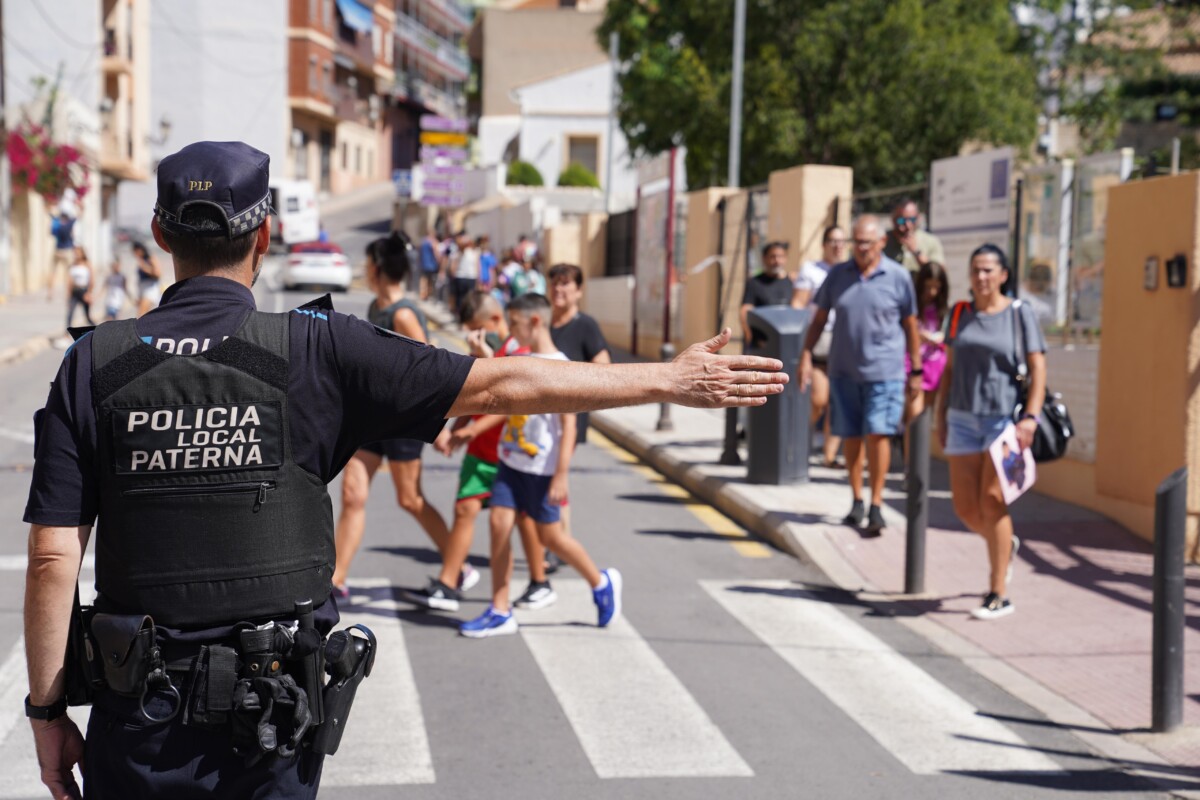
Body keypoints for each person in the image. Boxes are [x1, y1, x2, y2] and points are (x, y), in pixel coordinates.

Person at [21, 140, 786, 799]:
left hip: (138, 725)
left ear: (160, 233)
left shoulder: (94, 363)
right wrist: (670, 380)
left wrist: (48, 716)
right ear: (266, 239)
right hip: (268, 726)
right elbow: (504, 384)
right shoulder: (318, 347)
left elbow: (55, 558)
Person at [459, 293, 616, 638]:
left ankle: (600, 581)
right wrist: (485, 355)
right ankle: (500, 609)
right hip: (510, 461)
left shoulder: (560, 366)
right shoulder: (521, 356)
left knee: (553, 539)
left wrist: (561, 475)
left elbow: (569, 426)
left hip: (542, 472)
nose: (510, 329)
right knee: (499, 523)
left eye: (514, 322)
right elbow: (503, 380)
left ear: (534, 322)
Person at [331, 231, 472, 600]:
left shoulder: (404, 313)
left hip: (404, 422)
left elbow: (432, 370)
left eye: (367, 264)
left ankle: (458, 565)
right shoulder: (377, 307)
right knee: (352, 494)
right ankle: (336, 582)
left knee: (409, 499)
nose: (365, 268)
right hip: (373, 417)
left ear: (377, 268)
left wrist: (438, 426)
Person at [414, 291, 550, 611]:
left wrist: (470, 429)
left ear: (495, 320)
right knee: (464, 509)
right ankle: (449, 583)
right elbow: (475, 393)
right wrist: (458, 428)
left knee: (523, 520)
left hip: (511, 453)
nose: (474, 335)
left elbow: (510, 403)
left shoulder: (520, 349)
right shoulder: (488, 350)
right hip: (481, 453)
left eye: (478, 327)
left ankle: (539, 580)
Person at [937, 244, 1046, 620]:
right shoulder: (960, 314)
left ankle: (998, 592)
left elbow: (1038, 369)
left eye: (988, 270)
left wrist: (1030, 418)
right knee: (966, 509)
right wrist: (940, 416)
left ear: (1003, 275)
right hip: (962, 419)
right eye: (975, 270)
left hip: (1004, 422)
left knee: (991, 500)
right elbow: (949, 370)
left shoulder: (1019, 313)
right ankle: (1004, 545)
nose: (981, 277)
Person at [799, 216, 922, 537]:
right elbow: (819, 318)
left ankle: (877, 503)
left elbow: (911, 325)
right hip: (843, 371)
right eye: (857, 242)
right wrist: (805, 354)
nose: (861, 248)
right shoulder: (839, 276)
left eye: (867, 242)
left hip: (885, 372)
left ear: (882, 242)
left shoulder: (898, 278)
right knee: (851, 437)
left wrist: (917, 370)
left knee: (879, 434)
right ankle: (856, 498)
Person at [792, 226, 847, 467]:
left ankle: (830, 456)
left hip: (844, 341)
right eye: (833, 241)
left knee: (838, 402)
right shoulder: (811, 270)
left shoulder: (850, 271)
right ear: (824, 244)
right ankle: (798, 441)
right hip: (818, 340)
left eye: (842, 241)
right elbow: (798, 304)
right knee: (819, 399)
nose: (837, 246)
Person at [903, 261, 950, 457]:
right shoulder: (912, 306)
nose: (931, 291)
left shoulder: (943, 309)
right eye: (928, 286)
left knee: (925, 416)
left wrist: (938, 339)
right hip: (914, 364)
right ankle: (910, 465)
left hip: (935, 366)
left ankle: (919, 464)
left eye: (936, 287)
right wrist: (919, 335)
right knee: (913, 415)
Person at [740, 241, 794, 345]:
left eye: (780, 256)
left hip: (786, 341)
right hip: (762, 343)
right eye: (772, 256)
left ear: (786, 258)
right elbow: (745, 311)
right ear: (764, 258)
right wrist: (749, 336)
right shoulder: (755, 282)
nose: (777, 260)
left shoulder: (792, 282)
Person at [883, 198, 945, 275]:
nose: (908, 225)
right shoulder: (882, 242)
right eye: (902, 220)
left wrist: (916, 252)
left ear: (918, 218)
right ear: (893, 219)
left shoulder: (931, 241)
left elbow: (940, 274)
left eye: (912, 220)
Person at [48, 212, 76, 301]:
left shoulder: (56, 222)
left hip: (57, 250)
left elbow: (48, 212)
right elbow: (80, 214)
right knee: (68, 274)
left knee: (53, 272)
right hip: (67, 251)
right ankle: (68, 294)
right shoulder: (69, 223)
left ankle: (50, 293)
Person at [64, 246, 94, 329]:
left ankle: (97, 330)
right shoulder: (73, 265)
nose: (76, 254)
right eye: (75, 253)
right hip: (75, 291)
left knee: (87, 316)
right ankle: (67, 333)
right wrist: (68, 295)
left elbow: (91, 280)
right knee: (70, 313)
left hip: (83, 291)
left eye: (78, 252)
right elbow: (70, 281)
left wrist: (89, 293)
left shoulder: (87, 264)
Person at [132, 241, 163, 316]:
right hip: (143, 289)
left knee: (141, 314)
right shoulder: (141, 260)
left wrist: (145, 267)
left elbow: (158, 273)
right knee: (145, 315)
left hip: (150, 288)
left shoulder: (151, 258)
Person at [452, 232, 480, 314]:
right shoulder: (460, 252)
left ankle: (467, 314)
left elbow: (477, 266)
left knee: (469, 298)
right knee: (461, 297)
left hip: (470, 277)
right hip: (462, 277)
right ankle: (461, 314)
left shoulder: (474, 252)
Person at [418, 231, 441, 301]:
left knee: (423, 280)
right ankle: (428, 294)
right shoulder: (433, 242)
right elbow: (436, 253)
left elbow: (420, 252)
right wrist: (439, 261)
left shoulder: (423, 241)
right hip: (432, 265)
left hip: (424, 264)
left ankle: (422, 294)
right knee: (430, 281)